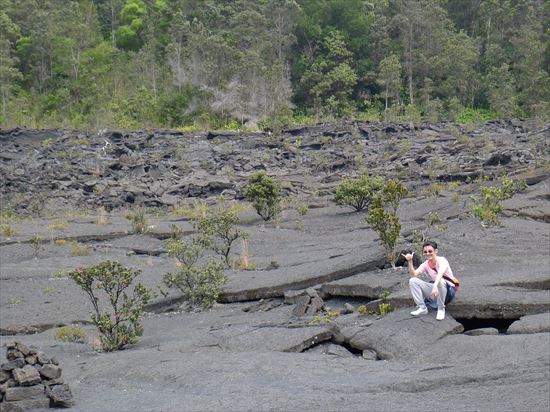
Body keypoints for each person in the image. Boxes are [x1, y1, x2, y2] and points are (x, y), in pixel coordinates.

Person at [402, 241, 457, 321]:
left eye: (430, 251)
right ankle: (422, 308)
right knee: (413, 280)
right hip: (437, 289)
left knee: (440, 281)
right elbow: (414, 274)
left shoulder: (442, 260)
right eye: (425, 252)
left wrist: (434, 286)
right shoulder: (425, 264)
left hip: (448, 290)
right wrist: (410, 261)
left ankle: (441, 309)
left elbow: (440, 273)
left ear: (436, 251)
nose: (427, 253)